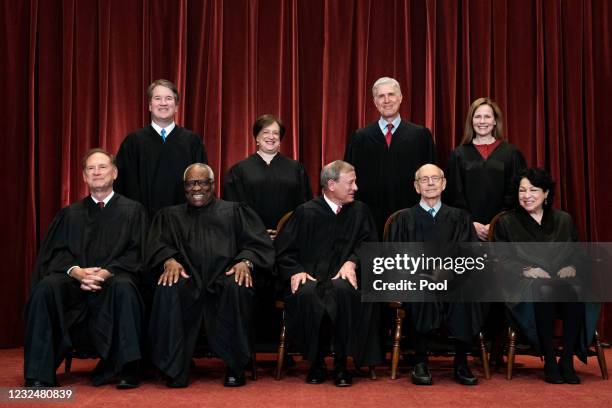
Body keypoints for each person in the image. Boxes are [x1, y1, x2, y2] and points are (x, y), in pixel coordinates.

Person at [24, 149, 148, 389]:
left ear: (114, 173)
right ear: (83, 176)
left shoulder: (134, 211)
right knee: (46, 289)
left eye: (102, 167)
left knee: (125, 287)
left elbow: (137, 253)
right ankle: (38, 373)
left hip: (114, 279)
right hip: (74, 284)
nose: (97, 172)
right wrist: (76, 271)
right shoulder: (70, 214)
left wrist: (104, 272)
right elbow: (55, 254)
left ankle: (127, 369)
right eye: (91, 168)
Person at [147, 163, 275, 388]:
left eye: (202, 182)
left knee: (238, 285)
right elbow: (156, 246)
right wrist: (169, 260)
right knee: (168, 287)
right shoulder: (170, 216)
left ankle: (235, 367)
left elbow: (258, 244)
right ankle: (175, 368)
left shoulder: (235, 211)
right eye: (190, 184)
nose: (196, 188)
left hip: (224, 277)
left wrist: (245, 261)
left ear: (212, 185)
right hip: (187, 280)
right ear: (184, 187)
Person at [275, 160, 382, 387]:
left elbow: (371, 246)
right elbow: (284, 251)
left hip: (347, 277)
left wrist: (352, 262)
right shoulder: (306, 212)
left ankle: (342, 363)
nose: (356, 187)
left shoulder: (360, 211)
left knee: (344, 290)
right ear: (331, 184)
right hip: (311, 277)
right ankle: (316, 362)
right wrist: (296, 271)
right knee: (307, 294)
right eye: (351, 182)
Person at [493, 168, 598, 384]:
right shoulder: (507, 222)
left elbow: (576, 252)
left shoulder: (563, 220)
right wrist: (527, 270)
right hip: (523, 283)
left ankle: (567, 359)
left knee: (577, 289)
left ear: (546, 193)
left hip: (561, 281)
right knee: (545, 289)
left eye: (533, 190)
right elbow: (501, 258)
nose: (527, 195)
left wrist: (571, 266)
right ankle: (550, 359)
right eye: (522, 190)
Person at [387, 164, 482, 386]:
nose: (430, 183)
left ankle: (461, 363)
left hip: (454, 279)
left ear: (444, 183)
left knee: (463, 293)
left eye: (435, 179)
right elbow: (394, 257)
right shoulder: (404, 219)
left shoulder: (459, 218)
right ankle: (420, 362)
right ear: (416, 186)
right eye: (424, 180)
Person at [223, 114, 313, 348]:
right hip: (251, 245)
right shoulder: (239, 171)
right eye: (266, 133)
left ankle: (292, 343)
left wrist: (284, 232)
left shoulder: (296, 169)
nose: (271, 137)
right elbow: (234, 209)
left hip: (288, 244)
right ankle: (251, 343)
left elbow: (305, 208)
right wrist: (260, 234)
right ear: (256, 138)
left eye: (275, 133)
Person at [344, 76, 436, 237]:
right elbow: (348, 180)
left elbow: (432, 179)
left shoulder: (420, 135)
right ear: (374, 101)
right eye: (381, 96)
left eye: (391, 94)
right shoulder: (360, 138)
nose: (386, 100)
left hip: (412, 220)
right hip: (369, 221)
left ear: (400, 98)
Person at [114, 79, 208, 219]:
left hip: (185, 223)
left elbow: (203, 185)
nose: (163, 103)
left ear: (176, 106)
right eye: (157, 98)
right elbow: (122, 186)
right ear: (150, 106)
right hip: (142, 225)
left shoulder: (192, 142)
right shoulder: (133, 142)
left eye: (168, 98)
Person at [445, 97, 526, 241]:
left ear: (495, 121)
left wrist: (496, 223)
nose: (482, 121)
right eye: (477, 117)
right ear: (471, 121)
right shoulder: (459, 154)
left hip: (504, 228)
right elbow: (453, 194)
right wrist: (470, 223)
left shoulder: (511, 153)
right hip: (467, 231)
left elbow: (516, 193)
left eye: (487, 116)